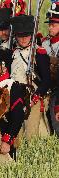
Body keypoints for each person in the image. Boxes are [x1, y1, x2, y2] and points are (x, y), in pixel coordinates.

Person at [10, 15, 51, 140]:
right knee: (17, 133)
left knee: (31, 132)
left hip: (33, 95)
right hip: (16, 95)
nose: (23, 39)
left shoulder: (39, 53)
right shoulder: (13, 53)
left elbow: (46, 80)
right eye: (20, 36)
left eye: (26, 35)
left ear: (31, 35)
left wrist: (35, 97)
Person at [42, 2, 59, 134]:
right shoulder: (44, 43)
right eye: (49, 24)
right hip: (46, 88)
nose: (50, 28)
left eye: (53, 25)